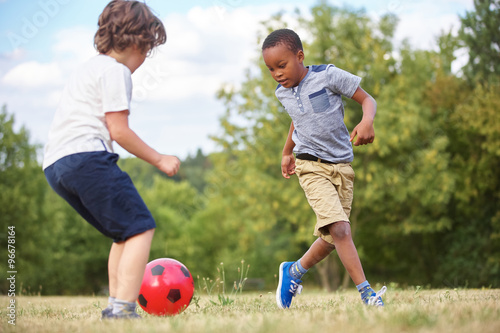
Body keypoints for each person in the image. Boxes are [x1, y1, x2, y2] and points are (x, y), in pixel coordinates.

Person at [42, 0, 179, 319]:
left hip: (56, 164)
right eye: (147, 50)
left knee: (123, 232)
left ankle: (115, 305)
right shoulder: (116, 72)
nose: (144, 60)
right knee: (141, 227)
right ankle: (122, 310)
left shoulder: (87, 67)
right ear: (136, 42)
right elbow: (118, 131)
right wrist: (159, 159)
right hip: (86, 158)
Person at [262, 28, 386, 308]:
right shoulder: (282, 93)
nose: (277, 74)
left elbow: (368, 99)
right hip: (310, 166)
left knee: (332, 238)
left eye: (282, 65)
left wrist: (367, 121)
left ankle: (293, 271)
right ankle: (367, 294)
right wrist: (286, 152)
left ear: (300, 56)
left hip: (342, 167)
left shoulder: (328, 76)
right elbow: (298, 119)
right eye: (271, 69)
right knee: (341, 230)